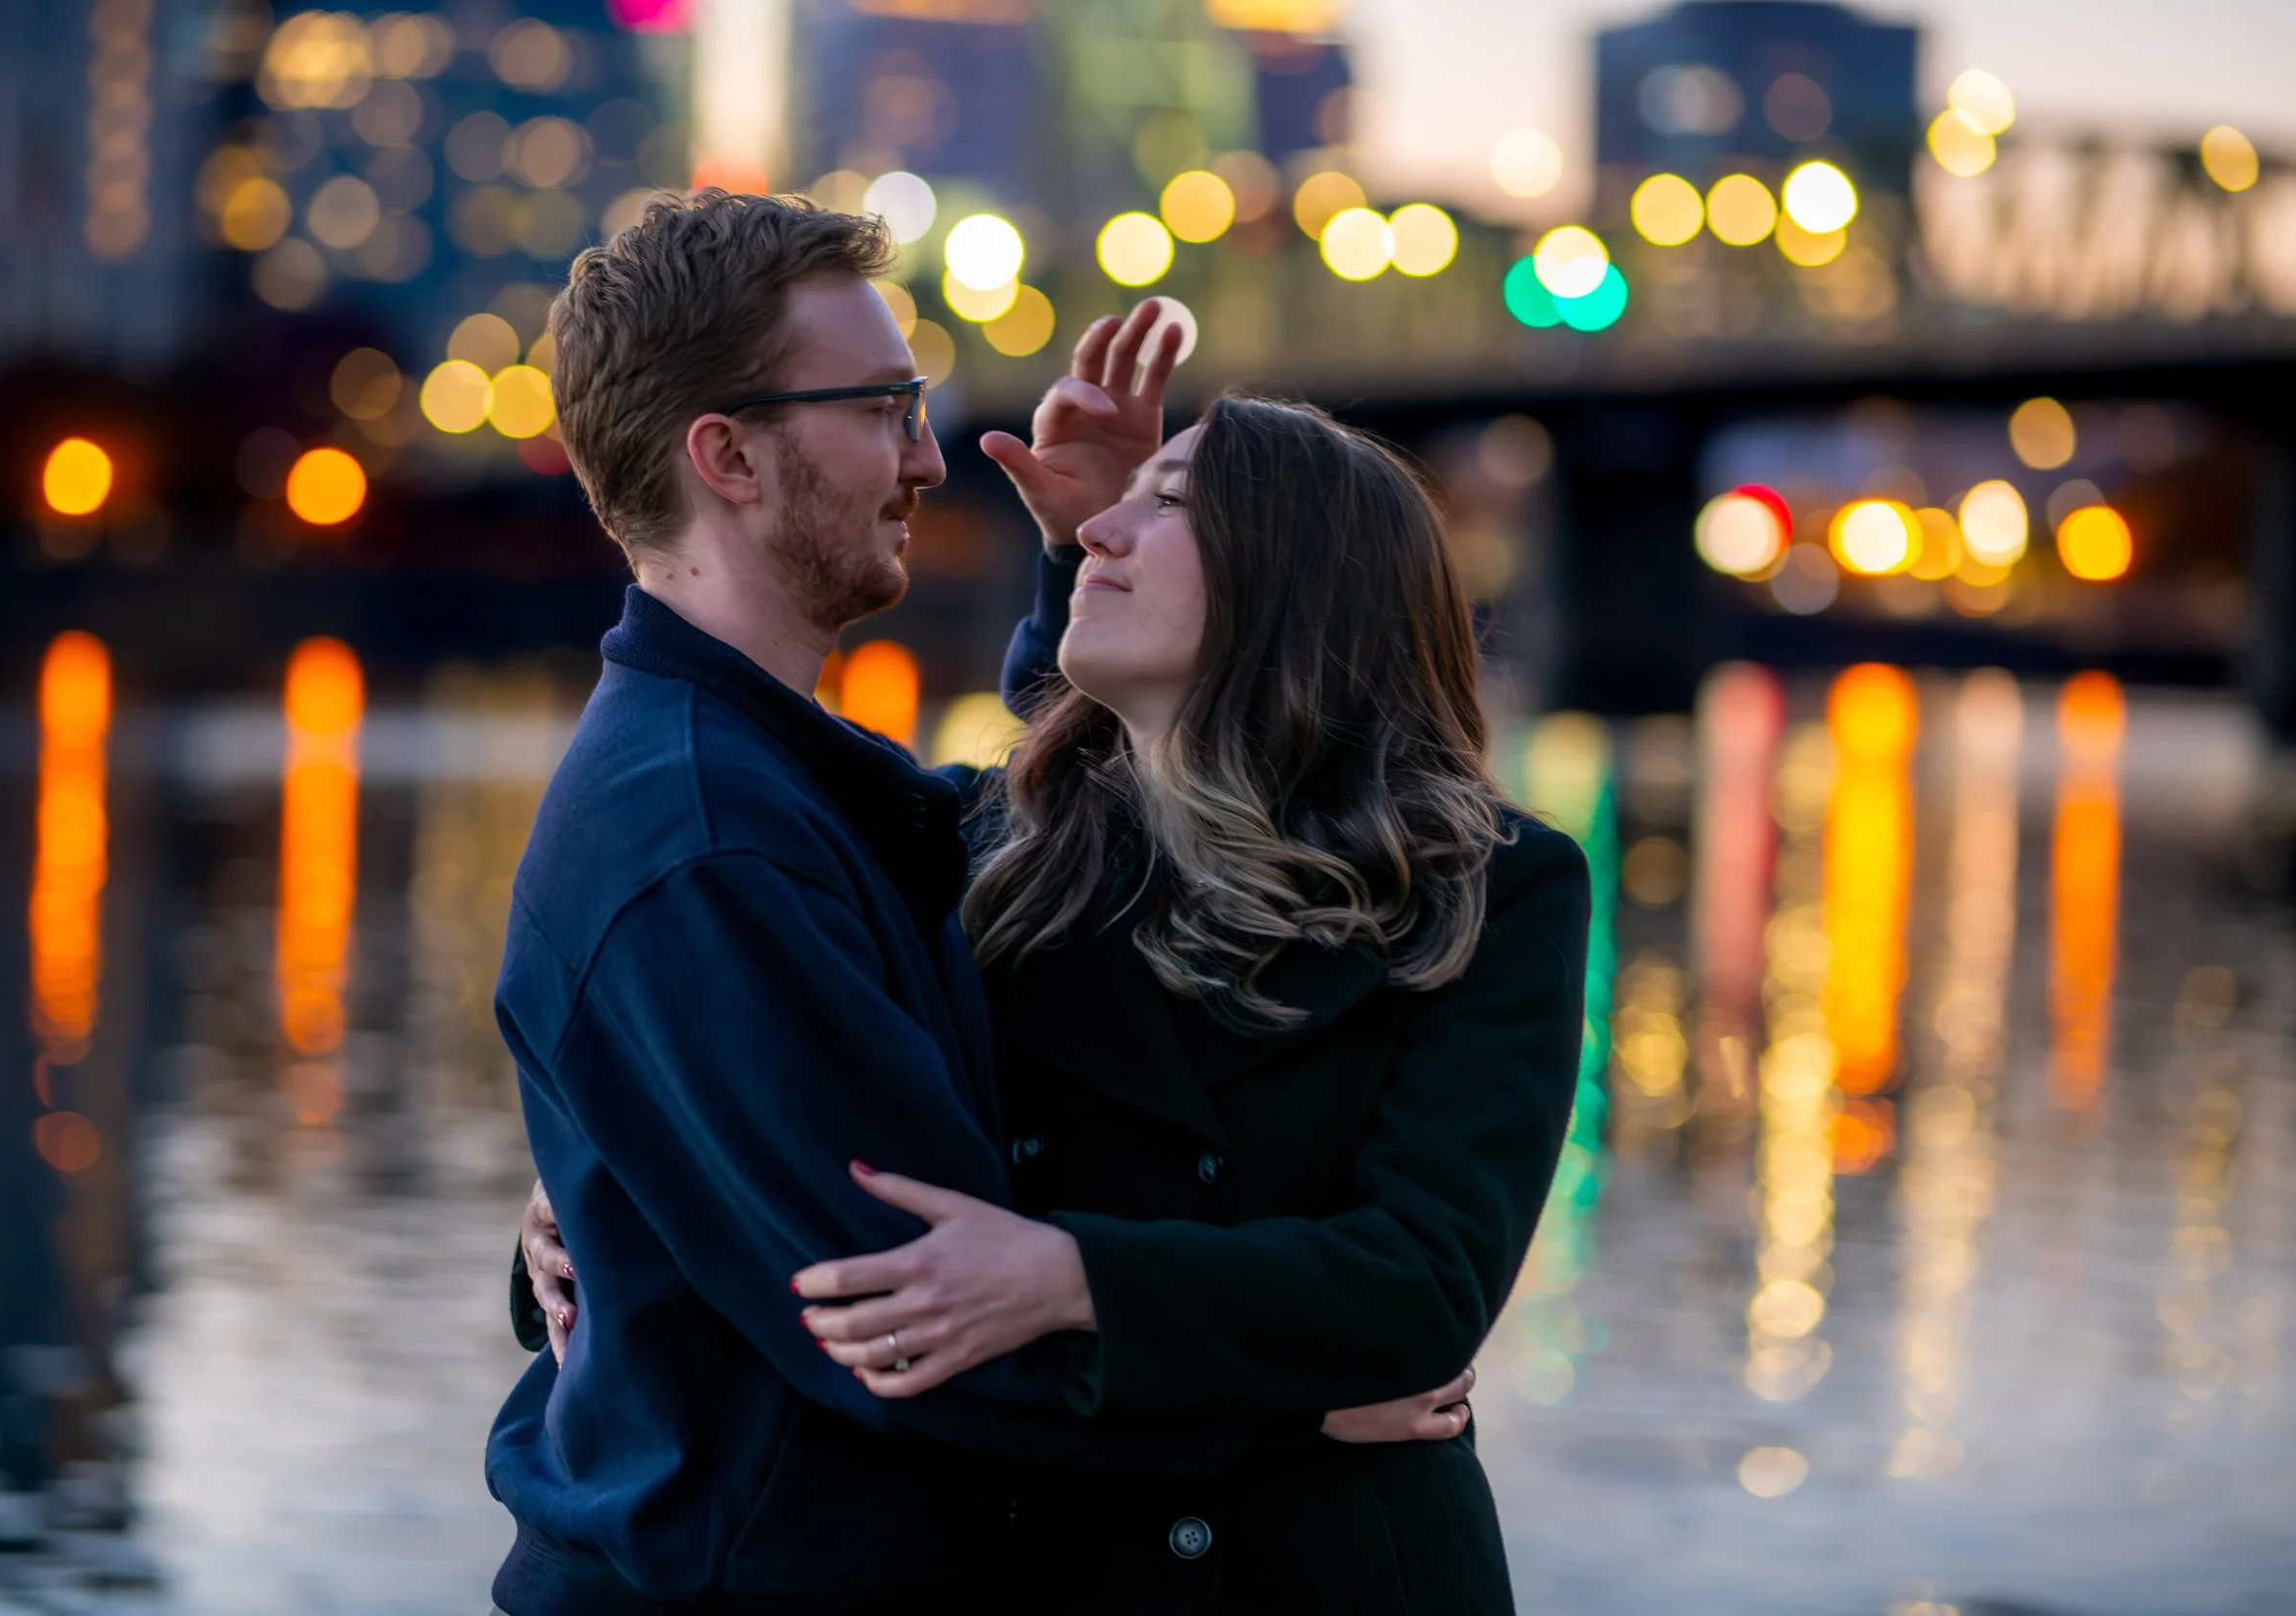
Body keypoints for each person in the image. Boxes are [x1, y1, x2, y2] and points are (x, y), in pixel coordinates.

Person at [514, 202, 1592, 1608]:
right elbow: (873, 1278)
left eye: (1163, 508)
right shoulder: (937, 840)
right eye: (886, 405)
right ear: (724, 455)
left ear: (1296, 590)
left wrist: (1086, 1279)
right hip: (1068, 1547)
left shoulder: (1490, 887)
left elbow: (1424, 1271)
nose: (937, 457)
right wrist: (605, 1198)